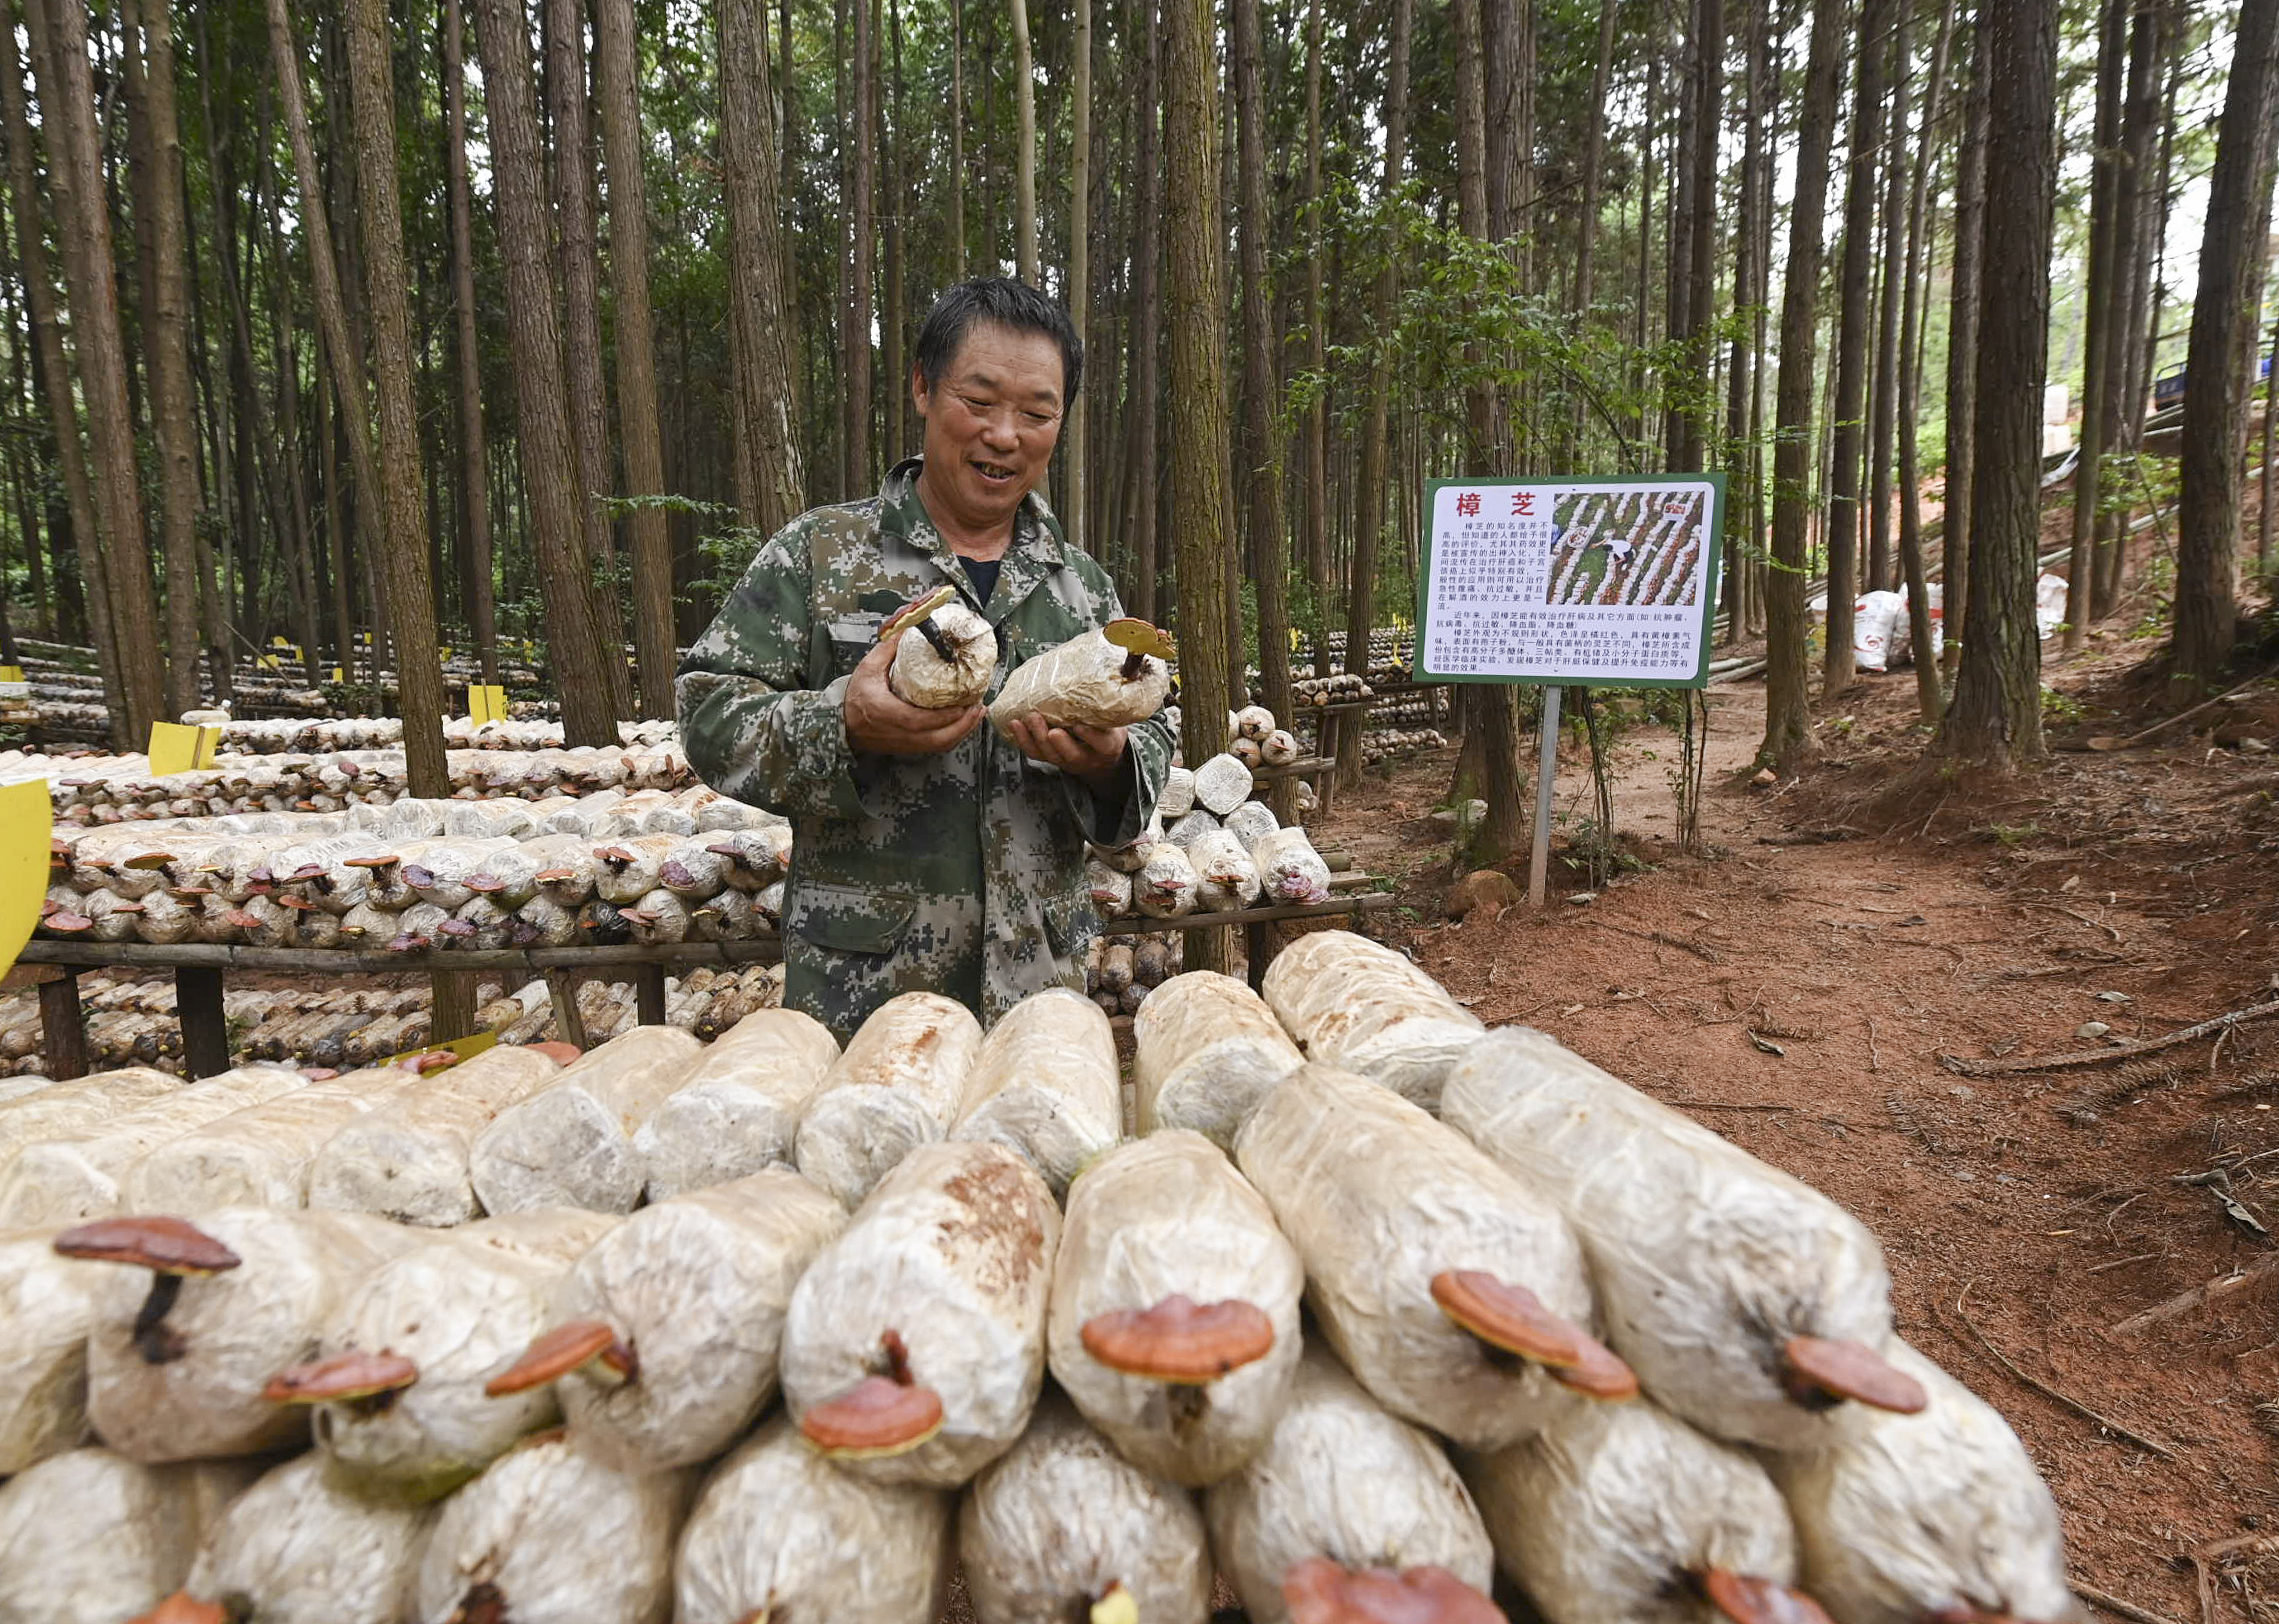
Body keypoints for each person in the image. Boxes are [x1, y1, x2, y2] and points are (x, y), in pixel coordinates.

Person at [678, 277, 1174, 1041]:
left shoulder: (1083, 590)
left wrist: (1107, 761)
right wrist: (841, 723)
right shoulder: (819, 556)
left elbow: (1150, 751)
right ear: (922, 388)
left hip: (1035, 996)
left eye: (1038, 413)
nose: (1005, 435)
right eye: (979, 402)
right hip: (865, 996)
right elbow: (710, 712)